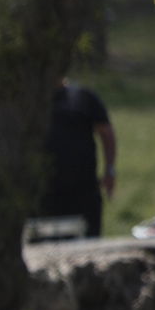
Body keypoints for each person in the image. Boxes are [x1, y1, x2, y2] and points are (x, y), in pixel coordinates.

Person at [40, 78, 116, 238]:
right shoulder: (29, 102)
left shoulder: (83, 97)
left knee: (87, 240)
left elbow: (106, 133)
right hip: (42, 190)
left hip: (83, 190)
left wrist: (110, 170)